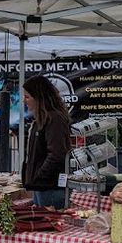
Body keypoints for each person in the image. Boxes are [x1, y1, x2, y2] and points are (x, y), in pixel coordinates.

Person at [21, 74, 72, 209]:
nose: (24, 101)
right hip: (41, 187)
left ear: (39, 98)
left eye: (27, 97)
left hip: (50, 188)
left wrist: (39, 176)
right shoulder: (41, 120)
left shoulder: (54, 119)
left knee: (49, 224)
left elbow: (57, 154)